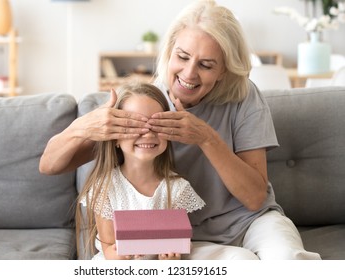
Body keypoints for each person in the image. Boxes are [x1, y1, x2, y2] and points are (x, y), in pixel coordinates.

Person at [40, 0, 321, 260]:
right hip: (178, 234)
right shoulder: (148, 101)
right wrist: (82, 127)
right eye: (182, 57)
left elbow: (254, 197)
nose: (188, 74)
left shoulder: (244, 97)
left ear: (224, 70)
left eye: (206, 65)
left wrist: (206, 137)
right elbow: (49, 165)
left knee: (289, 260)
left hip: (249, 223)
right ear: (169, 51)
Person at [76, 82, 205, 260]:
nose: (147, 133)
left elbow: (178, 244)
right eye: (135, 125)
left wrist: (171, 258)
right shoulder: (105, 188)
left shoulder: (177, 188)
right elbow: (109, 251)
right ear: (115, 137)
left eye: (156, 125)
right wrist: (120, 257)